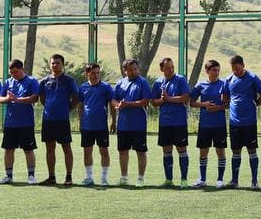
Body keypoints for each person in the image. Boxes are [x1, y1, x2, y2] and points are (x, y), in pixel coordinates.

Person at [224, 55, 261, 189]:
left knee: (251, 150)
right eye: (233, 69)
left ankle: (254, 181)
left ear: (243, 65)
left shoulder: (252, 78)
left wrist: (256, 103)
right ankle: (234, 181)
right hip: (234, 122)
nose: (235, 71)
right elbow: (225, 95)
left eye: (237, 68)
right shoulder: (229, 79)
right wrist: (228, 103)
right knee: (235, 151)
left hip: (249, 122)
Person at [39, 53, 79, 186]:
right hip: (48, 119)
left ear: (63, 65)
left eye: (58, 63)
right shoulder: (44, 81)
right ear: (50, 65)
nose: (55, 65)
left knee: (66, 147)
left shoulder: (69, 80)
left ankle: (69, 177)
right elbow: (42, 99)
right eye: (53, 63)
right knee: (49, 148)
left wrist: (67, 109)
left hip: (62, 120)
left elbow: (76, 98)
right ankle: (51, 177)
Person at [151, 56, 191, 188]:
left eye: (172, 67)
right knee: (166, 150)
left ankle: (184, 180)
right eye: (167, 67)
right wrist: (162, 100)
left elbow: (185, 98)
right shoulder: (158, 83)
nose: (171, 69)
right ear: (162, 69)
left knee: (181, 150)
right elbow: (153, 102)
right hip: (164, 123)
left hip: (179, 122)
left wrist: (169, 98)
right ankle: (169, 180)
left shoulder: (180, 80)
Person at [0, 59, 40, 185]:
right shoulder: (7, 82)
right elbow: (0, 99)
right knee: (8, 150)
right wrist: (8, 98)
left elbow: (35, 97)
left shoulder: (32, 81)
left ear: (22, 69)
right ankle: (8, 176)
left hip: (26, 123)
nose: (14, 75)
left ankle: (31, 176)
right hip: (10, 123)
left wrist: (18, 99)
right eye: (11, 73)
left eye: (16, 72)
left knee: (28, 150)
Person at [191, 60, 230, 189]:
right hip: (204, 125)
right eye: (213, 70)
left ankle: (220, 179)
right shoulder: (200, 85)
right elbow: (192, 103)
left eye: (218, 70)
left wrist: (217, 108)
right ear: (207, 71)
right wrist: (204, 104)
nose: (216, 73)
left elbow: (226, 104)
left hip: (219, 125)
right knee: (203, 152)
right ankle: (202, 179)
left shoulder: (224, 84)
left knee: (221, 152)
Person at [112, 58, 151, 186]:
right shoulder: (120, 83)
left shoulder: (143, 83)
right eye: (130, 70)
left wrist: (127, 104)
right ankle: (124, 178)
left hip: (138, 124)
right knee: (123, 151)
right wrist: (117, 105)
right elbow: (114, 100)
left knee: (141, 152)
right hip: (123, 124)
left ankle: (140, 179)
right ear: (124, 71)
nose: (133, 72)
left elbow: (145, 101)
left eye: (135, 69)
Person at [76, 63, 115, 186]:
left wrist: (114, 121)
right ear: (87, 73)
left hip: (101, 126)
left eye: (98, 72)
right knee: (87, 152)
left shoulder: (106, 87)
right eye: (93, 73)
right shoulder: (82, 88)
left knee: (104, 151)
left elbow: (111, 105)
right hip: (87, 126)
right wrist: (81, 122)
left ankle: (104, 178)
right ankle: (89, 177)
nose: (96, 75)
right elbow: (80, 106)